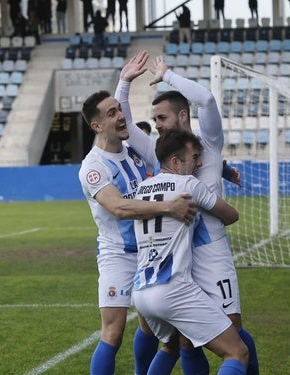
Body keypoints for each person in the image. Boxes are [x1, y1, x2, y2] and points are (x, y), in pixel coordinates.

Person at [116, 51, 258, 375]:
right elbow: (126, 127)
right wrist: (124, 83)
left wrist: (167, 74)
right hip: (177, 256)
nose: (156, 126)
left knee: (232, 330)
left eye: (161, 119)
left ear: (182, 115)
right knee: (185, 340)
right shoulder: (161, 152)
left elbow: (207, 100)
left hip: (210, 253)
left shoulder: (208, 144)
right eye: (153, 121)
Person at [78, 90, 198, 375]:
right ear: (96, 126)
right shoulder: (92, 167)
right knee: (114, 330)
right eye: (111, 114)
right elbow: (118, 207)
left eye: (119, 110)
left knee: (157, 330)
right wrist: (168, 208)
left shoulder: (133, 154)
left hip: (149, 252)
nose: (121, 116)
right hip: (118, 255)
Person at [133, 128, 248, 375]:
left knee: (170, 346)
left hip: (142, 290)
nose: (198, 164)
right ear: (175, 161)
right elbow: (231, 215)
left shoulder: (142, 188)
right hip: (173, 289)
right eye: (194, 157)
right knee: (237, 352)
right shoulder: (188, 184)